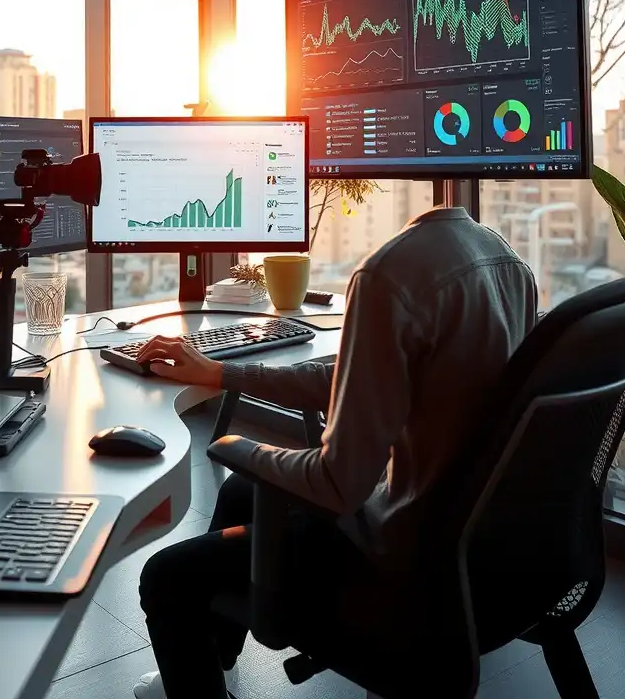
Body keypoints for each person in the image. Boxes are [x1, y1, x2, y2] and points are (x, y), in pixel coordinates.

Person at [131, 206, 538, 699]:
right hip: (474, 541)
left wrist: (242, 448)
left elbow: (339, 485)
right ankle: (211, 665)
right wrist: (222, 374)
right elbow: (355, 378)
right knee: (243, 492)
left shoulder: (388, 274)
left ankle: (194, 671)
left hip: (399, 557)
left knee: (166, 576)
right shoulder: (505, 258)